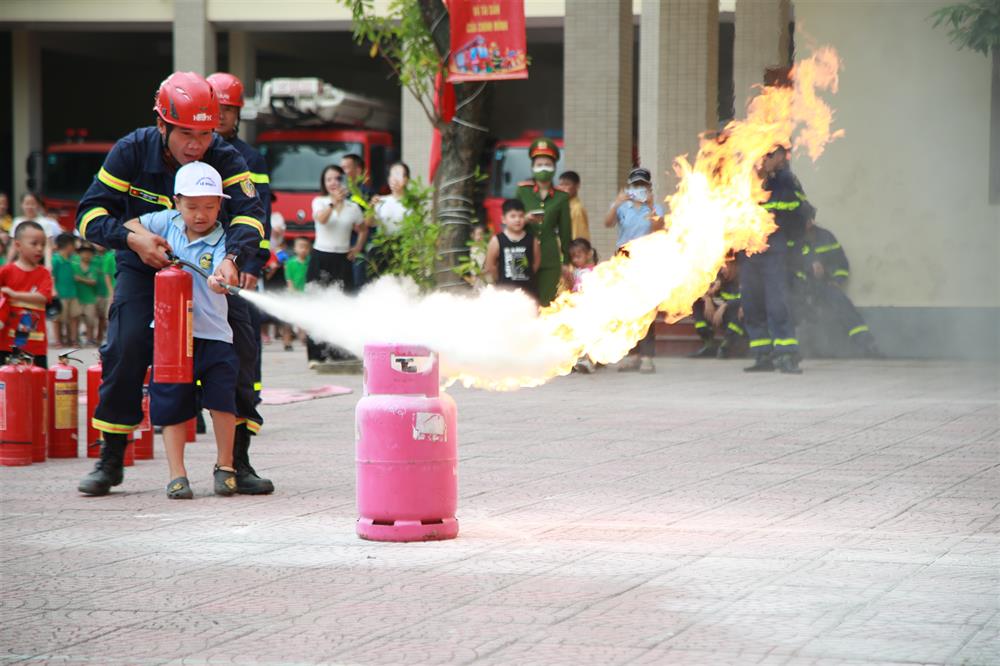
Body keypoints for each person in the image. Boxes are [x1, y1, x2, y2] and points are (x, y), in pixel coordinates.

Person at [75, 71, 271, 497]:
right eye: (185, 133)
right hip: (143, 267)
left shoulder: (224, 156)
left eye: (204, 134)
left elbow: (251, 215)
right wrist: (132, 238)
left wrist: (234, 260)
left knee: (239, 344)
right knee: (126, 346)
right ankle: (111, 457)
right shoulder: (131, 150)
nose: (195, 145)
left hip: (214, 268)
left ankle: (237, 460)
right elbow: (89, 214)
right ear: (162, 124)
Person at [122, 162, 241, 499]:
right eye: (191, 206)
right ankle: (177, 474)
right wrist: (146, 241)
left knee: (222, 401)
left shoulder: (223, 238)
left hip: (214, 334)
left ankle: (226, 466)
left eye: (208, 206)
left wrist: (222, 279)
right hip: (171, 336)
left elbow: (226, 269)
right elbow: (130, 224)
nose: (200, 215)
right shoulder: (165, 222)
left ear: (220, 205)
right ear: (176, 202)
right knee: (170, 403)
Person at [207, 72, 271, 410]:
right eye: (215, 107)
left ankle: (249, 396)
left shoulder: (251, 159)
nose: (220, 116)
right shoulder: (193, 152)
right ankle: (192, 403)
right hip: (199, 255)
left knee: (245, 332)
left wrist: (254, 263)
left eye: (228, 109)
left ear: (238, 114)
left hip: (239, 257)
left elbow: (260, 213)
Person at [741, 145, 811, 374]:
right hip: (750, 250)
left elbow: (796, 214)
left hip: (775, 249)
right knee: (752, 303)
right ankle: (763, 354)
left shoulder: (785, 181)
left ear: (780, 157)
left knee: (777, 303)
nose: (764, 160)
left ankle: (787, 354)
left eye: (769, 156)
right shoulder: (747, 181)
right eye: (763, 155)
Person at [790, 216, 880, 358]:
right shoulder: (790, 239)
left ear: (811, 221)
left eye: (807, 220)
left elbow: (842, 263)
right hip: (798, 288)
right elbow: (787, 265)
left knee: (841, 302)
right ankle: (789, 351)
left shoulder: (825, 237)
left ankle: (867, 345)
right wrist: (808, 269)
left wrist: (836, 280)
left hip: (823, 286)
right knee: (787, 306)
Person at [604, 167, 665, 374]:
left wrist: (651, 208)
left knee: (646, 308)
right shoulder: (623, 207)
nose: (639, 188)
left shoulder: (655, 208)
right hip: (624, 257)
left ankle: (647, 356)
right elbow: (607, 223)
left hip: (647, 257)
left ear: (649, 187)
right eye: (635, 185)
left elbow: (660, 230)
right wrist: (618, 202)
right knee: (627, 308)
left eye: (642, 185)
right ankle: (632, 354)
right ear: (630, 187)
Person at [307, 165, 364, 367]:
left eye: (337, 179)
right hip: (321, 257)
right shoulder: (320, 202)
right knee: (317, 305)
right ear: (324, 183)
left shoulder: (353, 208)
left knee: (343, 305)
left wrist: (357, 247)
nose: (333, 183)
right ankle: (316, 355)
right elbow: (321, 221)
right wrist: (333, 203)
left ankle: (341, 352)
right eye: (329, 179)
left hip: (343, 260)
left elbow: (363, 227)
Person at [515, 138, 572, 306]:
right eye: (539, 164)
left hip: (549, 253)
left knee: (547, 300)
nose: (543, 168)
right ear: (532, 167)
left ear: (554, 168)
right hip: (523, 251)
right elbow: (511, 218)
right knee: (524, 300)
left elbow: (565, 231)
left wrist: (566, 262)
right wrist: (525, 219)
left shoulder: (561, 197)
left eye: (547, 164)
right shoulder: (523, 191)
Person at [0, 221, 53, 367]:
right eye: (34, 244)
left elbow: (43, 298)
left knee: (38, 384)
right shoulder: (5, 272)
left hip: (36, 345)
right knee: (7, 384)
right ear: (17, 245)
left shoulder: (44, 274)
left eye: (42, 245)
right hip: (6, 344)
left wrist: (13, 295)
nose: (39, 249)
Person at [484, 198, 541, 299]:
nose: (517, 220)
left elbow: (536, 263)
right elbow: (490, 266)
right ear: (503, 219)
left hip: (528, 292)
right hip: (505, 293)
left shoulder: (532, 240)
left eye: (521, 216)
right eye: (513, 216)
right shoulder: (497, 240)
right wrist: (501, 280)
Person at [365, 161, 410, 277]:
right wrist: (371, 207)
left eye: (398, 175)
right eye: (392, 175)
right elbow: (369, 223)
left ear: (406, 180)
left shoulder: (412, 203)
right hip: (383, 248)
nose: (394, 179)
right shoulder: (381, 201)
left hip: (404, 248)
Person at [341, 153, 374, 289]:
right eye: (341, 168)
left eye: (346, 168)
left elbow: (368, 223)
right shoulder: (342, 193)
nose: (342, 172)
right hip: (342, 247)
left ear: (358, 170)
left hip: (359, 248)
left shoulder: (366, 193)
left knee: (358, 285)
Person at [51, 234, 79, 347]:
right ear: (68, 245)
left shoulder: (73, 259)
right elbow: (52, 276)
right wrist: (53, 291)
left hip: (73, 293)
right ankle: (58, 340)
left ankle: (73, 340)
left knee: (74, 317)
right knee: (58, 319)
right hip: (60, 293)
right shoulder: (55, 259)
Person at [73, 242, 100, 346]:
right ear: (79, 254)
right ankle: (75, 340)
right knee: (76, 319)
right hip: (77, 297)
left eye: (89, 253)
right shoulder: (74, 265)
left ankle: (90, 339)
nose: (86, 255)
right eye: (84, 252)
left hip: (90, 298)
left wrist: (79, 279)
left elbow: (93, 281)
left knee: (90, 320)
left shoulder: (94, 266)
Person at [558, 171, 590, 242]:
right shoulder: (562, 206)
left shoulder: (576, 209)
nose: (563, 188)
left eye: (567, 184)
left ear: (577, 185)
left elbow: (578, 238)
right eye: (561, 185)